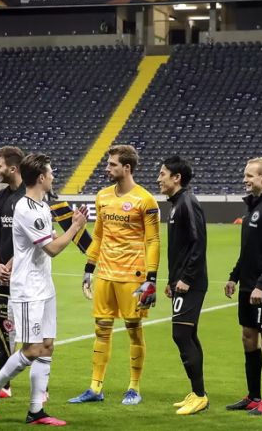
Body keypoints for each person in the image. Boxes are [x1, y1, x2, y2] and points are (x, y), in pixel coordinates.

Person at [0, 153, 87, 425]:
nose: (53, 177)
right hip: (28, 290)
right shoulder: (26, 208)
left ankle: (35, 410)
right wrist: (75, 227)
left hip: (44, 287)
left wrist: (64, 230)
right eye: (50, 173)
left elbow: (38, 243)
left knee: (48, 346)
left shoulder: (41, 206)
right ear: (41, 177)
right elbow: (52, 249)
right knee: (31, 349)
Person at [69, 144, 161, 406]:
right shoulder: (103, 196)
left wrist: (151, 279)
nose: (107, 168)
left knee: (133, 329)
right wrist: (89, 269)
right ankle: (95, 387)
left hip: (133, 276)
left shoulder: (146, 200)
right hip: (105, 275)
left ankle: (134, 387)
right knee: (101, 329)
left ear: (126, 168)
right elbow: (98, 235)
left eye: (112, 165)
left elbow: (153, 240)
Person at [224, 158, 262, 416]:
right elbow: (248, 251)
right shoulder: (252, 208)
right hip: (248, 287)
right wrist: (234, 277)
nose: (245, 179)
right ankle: (253, 396)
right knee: (247, 338)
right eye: (245, 175)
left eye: (250, 175)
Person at [158, 156, 209, 415]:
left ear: (176, 177)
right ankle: (198, 392)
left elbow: (198, 244)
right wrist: (171, 280)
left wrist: (186, 279)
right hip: (182, 282)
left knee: (180, 335)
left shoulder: (188, 203)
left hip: (192, 283)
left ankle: (199, 395)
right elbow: (181, 249)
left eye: (163, 173)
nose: (159, 178)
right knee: (188, 335)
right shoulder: (178, 204)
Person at [0, 146, 26, 398]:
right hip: (0, 275)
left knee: (32, 332)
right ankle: (3, 386)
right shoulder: (1, 197)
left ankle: (41, 390)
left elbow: (31, 240)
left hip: (22, 277)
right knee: (4, 330)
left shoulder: (27, 197)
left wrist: (10, 264)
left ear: (12, 168)